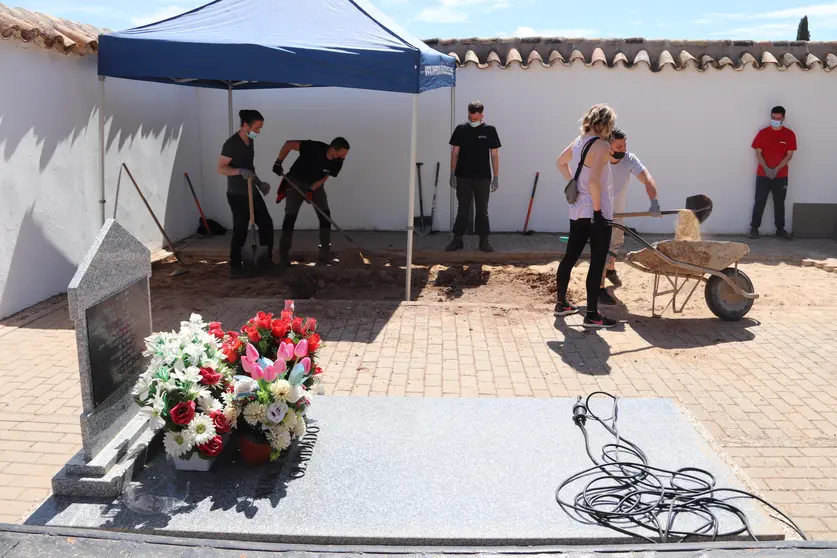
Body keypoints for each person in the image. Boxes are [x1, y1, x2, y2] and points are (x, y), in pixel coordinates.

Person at [554, 104, 618, 329]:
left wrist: (573, 182)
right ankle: (592, 315)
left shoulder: (579, 140)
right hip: (594, 210)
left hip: (577, 209)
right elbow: (594, 182)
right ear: (606, 123)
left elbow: (560, 162)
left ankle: (561, 304)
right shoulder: (600, 145)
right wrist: (599, 212)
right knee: (597, 261)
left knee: (570, 256)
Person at [598, 127, 661, 305]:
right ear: (608, 146)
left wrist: (654, 201)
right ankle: (599, 289)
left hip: (618, 214)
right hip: (600, 214)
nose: (623, 150)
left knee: (616, 244)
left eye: (624, 146)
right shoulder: (600, 160)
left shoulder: (629, 159)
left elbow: (647, 178)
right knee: (603, 249)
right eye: (619, 147)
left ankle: (610, 269)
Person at [272, 137, 350, 267]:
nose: (343, 158)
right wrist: (278, 162)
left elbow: (325, 176)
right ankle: (284, 256)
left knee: (325, 215)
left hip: (315, 184)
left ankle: (324, 254)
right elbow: (289, 144)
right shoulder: (313, 147)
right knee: (290, 217)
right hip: (295, 182)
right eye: (341, 154)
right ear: (332, 149)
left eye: (345, 155)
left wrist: (312, 189)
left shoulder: (338, 161)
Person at [217, 109, 274, 278]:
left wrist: (259, 183)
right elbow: (220, 168)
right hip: (237, 194)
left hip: (251, 191)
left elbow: (250, 168)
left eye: (260, 129)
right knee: (240, 228)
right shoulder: (231, 144)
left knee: (266, 223)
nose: (258, 132)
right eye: (256, 128)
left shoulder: (250, 141)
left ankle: (265, 261)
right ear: (245, 125)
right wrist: (238, 171)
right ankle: (235, 266)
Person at [446, 101, 501, 253]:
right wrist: (452, 173)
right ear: (468, 114)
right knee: (463, 208)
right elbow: (455, 153)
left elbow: (495, 155)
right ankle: (457, 240)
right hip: (463, 176)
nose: (474, 120)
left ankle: (484, 241)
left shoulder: (490, 130)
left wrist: (496, 176)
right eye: (472, 117)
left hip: (483, 177)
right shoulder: (461, 129)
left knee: (482, 209)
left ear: (482, 115)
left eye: (477, 118)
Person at [750, 105, 796, 240]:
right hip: (763, 175)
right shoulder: (762, 133)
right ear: (771, 117)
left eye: (779, 118)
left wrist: (776, 170)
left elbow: (789, 155)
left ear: (783, 118)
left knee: (779, 202)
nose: (776, 120)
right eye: (773, 118)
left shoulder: (789, 134)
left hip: (780, 176)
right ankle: (754, 229)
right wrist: (766, 169)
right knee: (759, 201)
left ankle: (780, 230)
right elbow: (758, 153)